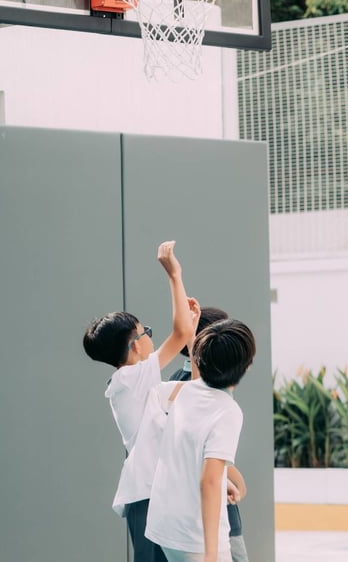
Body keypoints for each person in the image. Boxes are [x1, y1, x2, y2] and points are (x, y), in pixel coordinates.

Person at [83, 240, 198, 562]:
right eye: (145, 331)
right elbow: (180, 332)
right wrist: (175, 275)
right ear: (134, 345)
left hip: (152, 492)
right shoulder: (131, 378)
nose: (150, 336)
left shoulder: (131, 382)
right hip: (148, 494)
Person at [145, 318, 256, 562]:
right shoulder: (227, 411)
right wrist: (211, 554)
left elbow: (186, 449)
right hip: (193, 537)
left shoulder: (183, 391)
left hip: (163, 524)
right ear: (247, 366)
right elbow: (209, 481)